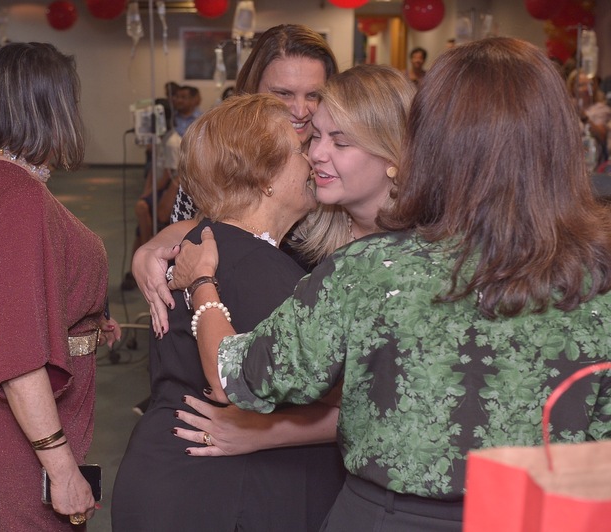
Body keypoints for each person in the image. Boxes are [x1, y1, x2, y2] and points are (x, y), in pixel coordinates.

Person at [174, 37, 611, 531]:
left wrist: (202, 283)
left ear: (431, 143)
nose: (317, 154)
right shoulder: (596, 283)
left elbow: (236, 374)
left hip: (390, 515)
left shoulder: (373, 268)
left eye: (340, 141)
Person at [112, 93, 344, 531]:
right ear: (265, 178)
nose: (313, 159)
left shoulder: (198, 246)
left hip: (170, 478)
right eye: (300, 150)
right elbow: (347, 395)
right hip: (219, 495)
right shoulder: (260, 268)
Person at [171, 64, 412, 458]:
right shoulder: (306, 228)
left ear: (392, 153)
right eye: (314, 137)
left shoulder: (422, 253)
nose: (316, 154)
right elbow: (233, 216)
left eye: (340, 142)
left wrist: (266, 432)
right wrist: (156, 249)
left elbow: (388, 400)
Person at [0, 42, 121, 531]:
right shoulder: (20, 200)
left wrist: (84, 317)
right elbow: (20, 362)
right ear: (50, 107)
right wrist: (63, 471)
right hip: (13, 424)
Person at [169, 23, 338, 235]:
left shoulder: (338, 165)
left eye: (314, 95)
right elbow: (186, 234)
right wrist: (164, 242)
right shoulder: (216, 161)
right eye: (283, 93)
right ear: (253, 90)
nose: (301, 110)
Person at [121, 98, 180, 292]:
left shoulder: (172, 143)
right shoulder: (159, 141)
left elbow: (171, 176)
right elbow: (153, 172)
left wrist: (151, 195)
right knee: (141, 220)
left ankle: (147, 249)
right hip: (158, 187)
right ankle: (137, 264)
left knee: (142, 209)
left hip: (168, 190)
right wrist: (146, 192)